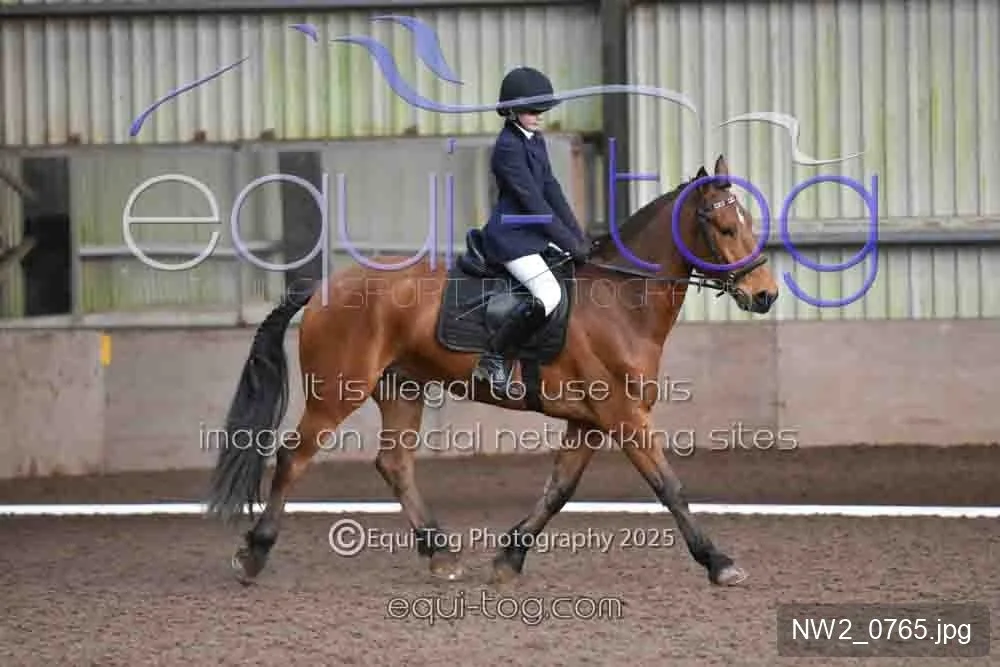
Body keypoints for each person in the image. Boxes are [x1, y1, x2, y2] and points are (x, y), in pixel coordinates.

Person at [472, 66, 591, 399]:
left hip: (534, 234)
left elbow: (551, 189)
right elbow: (534, 204)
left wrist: (578, 235)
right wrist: (569, 243)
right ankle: (494, 358)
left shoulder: (534, 139)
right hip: (511, 238)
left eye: (542, 109)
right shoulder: (507, 147)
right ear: (512, 111)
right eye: (532, 110)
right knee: (549, 295)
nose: (539, 115)